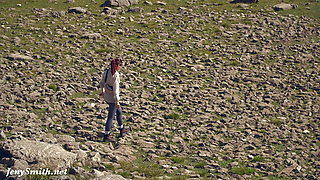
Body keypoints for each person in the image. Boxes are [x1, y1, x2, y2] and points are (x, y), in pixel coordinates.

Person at [100, 58, 128, 142]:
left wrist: (102, 92)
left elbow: (102, 83)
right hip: (113, 99)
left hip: (107, 96)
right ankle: (106, 134)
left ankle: (122, 128)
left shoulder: (107, 72)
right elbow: (116, 91)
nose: (120, 67)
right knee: (111, 116)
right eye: (119, 65)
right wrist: (117, 102)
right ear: (116, 66)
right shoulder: (115, 75)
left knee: (119, 111)